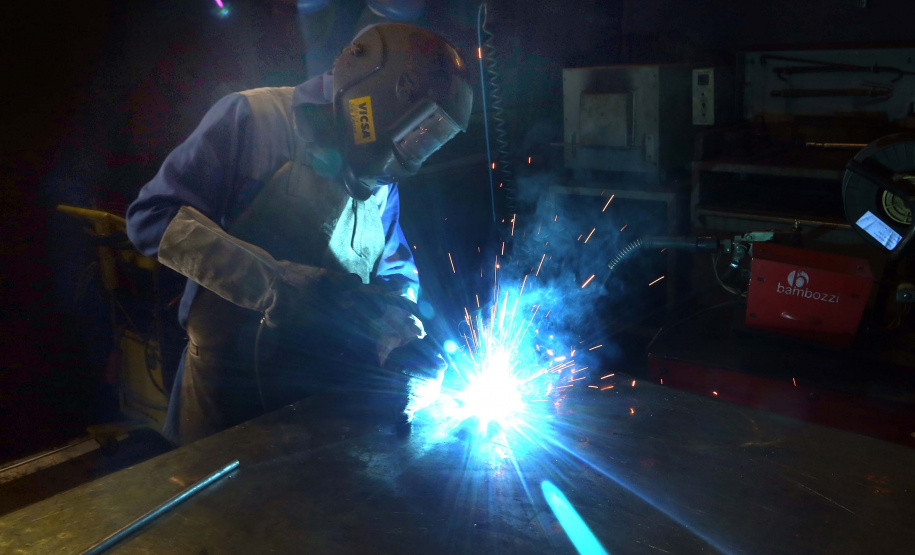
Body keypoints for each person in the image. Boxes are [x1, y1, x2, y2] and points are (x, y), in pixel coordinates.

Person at [126, 23, 473, 445]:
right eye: (421, 129)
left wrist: (399, 326)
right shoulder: (255, 119)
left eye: (431, 140)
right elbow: (151, 218)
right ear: (387, 92)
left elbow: (395, 272)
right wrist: (280, 286)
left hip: (317, 403)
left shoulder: (381, 182)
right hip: (223, 397)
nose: (417, 146)